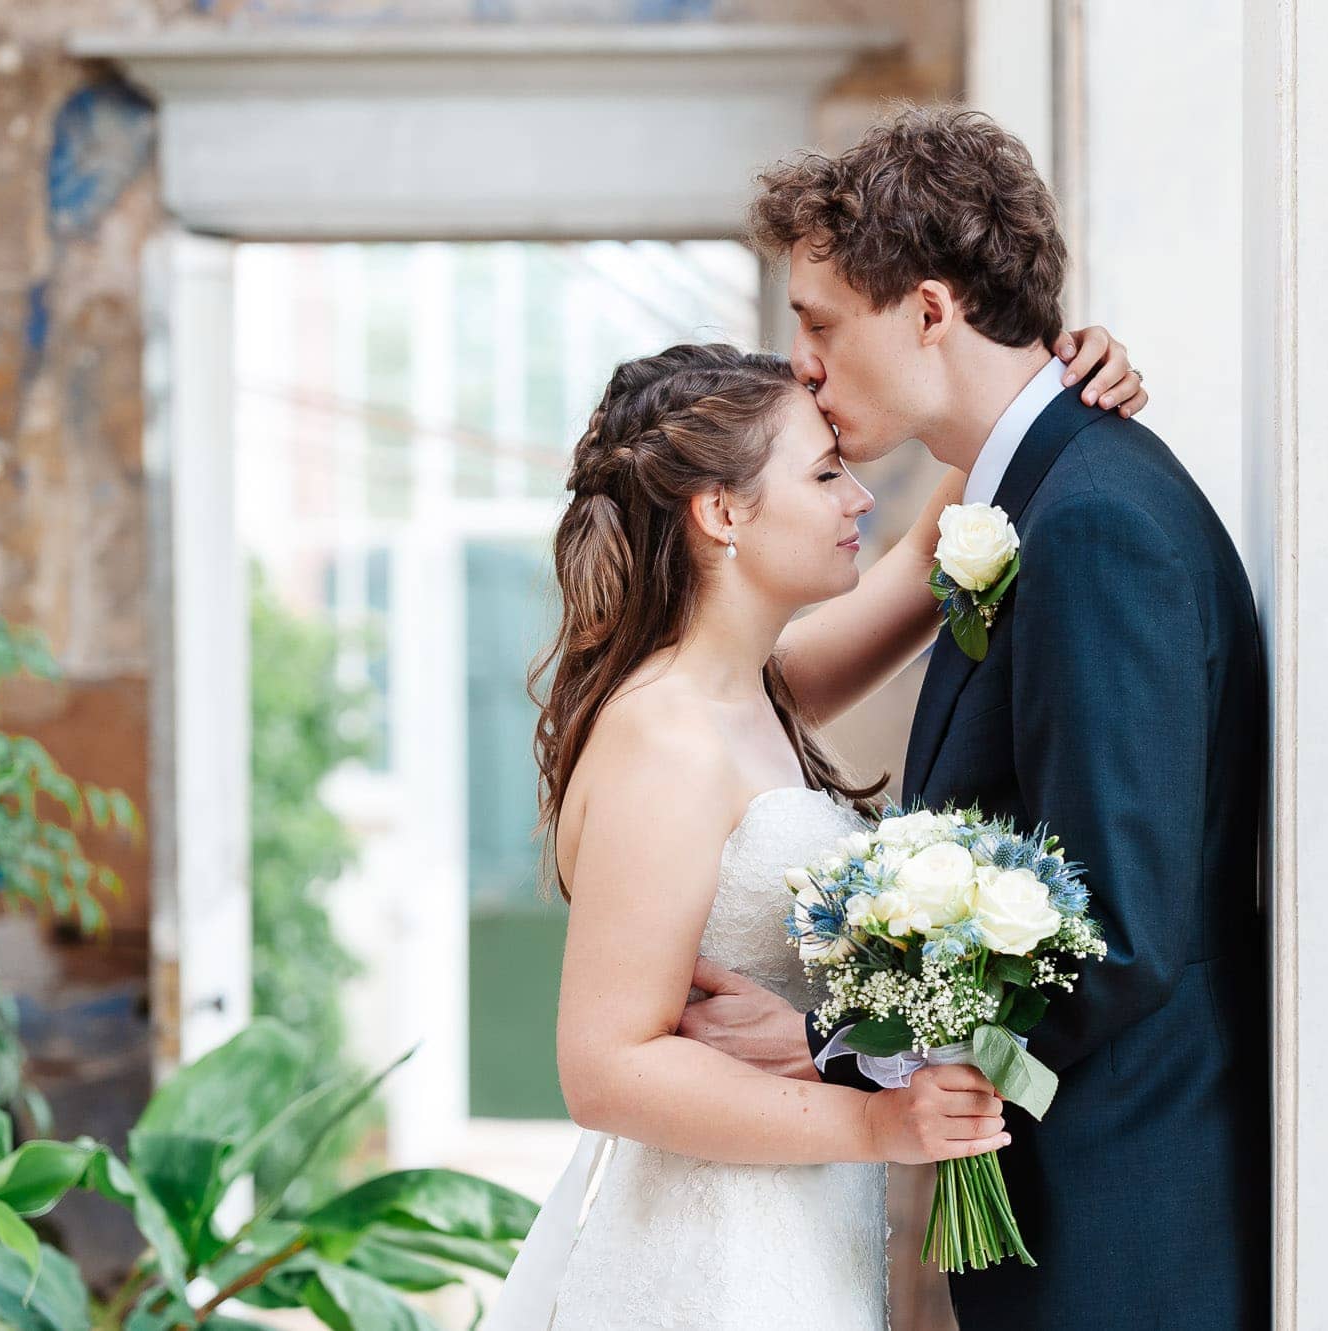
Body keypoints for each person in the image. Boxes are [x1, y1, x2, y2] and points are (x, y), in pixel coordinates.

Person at [678, 105, 1272, 1331]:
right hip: (1076, 1220)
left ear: (932, 311)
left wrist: (837, 1037)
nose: (804, 363)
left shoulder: (1093, 522)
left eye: (820, 323)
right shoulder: (1033, 499)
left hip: (1127, 1231)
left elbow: (1117, 929)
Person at [489, 321, 1147, 1326]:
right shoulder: (662, 739)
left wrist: (1046, 383)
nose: (857, 497)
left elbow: (925, 558)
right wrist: (878, 1119)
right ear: (721, 512)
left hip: (792, 1234)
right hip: (708, 1265)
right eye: (826, 473)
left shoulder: (758, 694)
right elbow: (605, 1065)